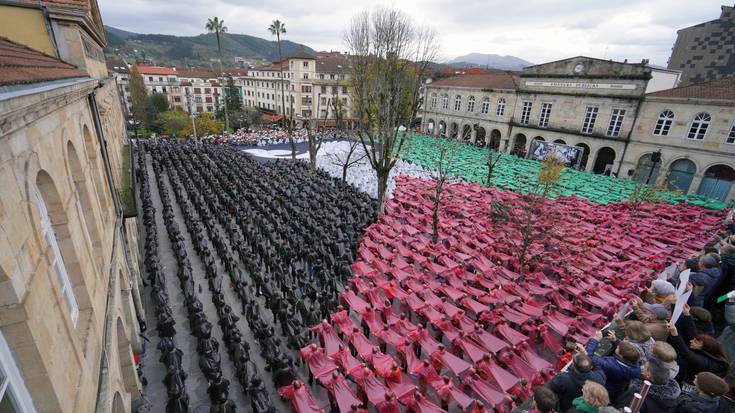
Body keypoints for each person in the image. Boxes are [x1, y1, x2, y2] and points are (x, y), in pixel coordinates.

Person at [581, 331, 641, 401]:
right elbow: (625, 352)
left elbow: (589, 358)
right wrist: (615, 341)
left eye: (618, 348)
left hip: (603, 391)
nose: (617, 347)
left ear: (621, 355)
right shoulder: (635, 366)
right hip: (615, 389)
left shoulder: (611, 366)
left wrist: (595, 340)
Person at [616, 357, 681, 413]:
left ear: (648, 375)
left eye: (645, 366)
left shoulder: (637, 397)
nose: (642, 367)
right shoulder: (673, 398)